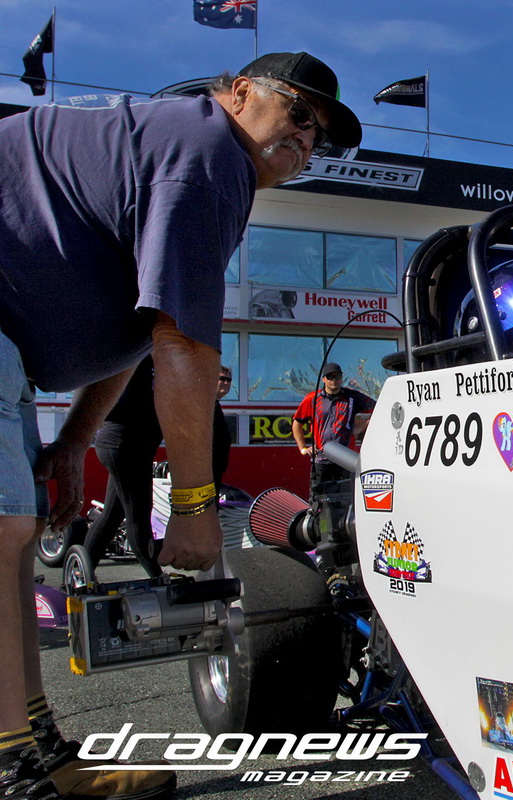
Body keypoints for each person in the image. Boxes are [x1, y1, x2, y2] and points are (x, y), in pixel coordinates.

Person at [0, 51, 361, 799]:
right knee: (1, 534)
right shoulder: (207, 156)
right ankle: (11, 767)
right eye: (298, 112)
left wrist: (73, 442)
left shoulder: (196, 155)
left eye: (319, 135)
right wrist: (195, 505)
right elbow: (183, 346)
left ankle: (31, 742)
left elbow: (137, 335)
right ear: (239, 93)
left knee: (16, 537)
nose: (306, 138)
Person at [81, 357, 163, 578]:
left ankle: (81, 575)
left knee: (112, 515)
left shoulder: (151, 362)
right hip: (124, 447)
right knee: (138, 515)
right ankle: (157, 577)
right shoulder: (132, 357)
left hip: (133, 448)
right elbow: (112, 400)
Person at [291, 363, 376, 496]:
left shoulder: (352, 397)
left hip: (345, 458)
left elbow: (379, 407)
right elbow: (297, 423)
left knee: (346, 498)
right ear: (323, 379)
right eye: (330, 377)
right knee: (319, 498)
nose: (333, 380)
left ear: (341, 378)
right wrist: (303, 449)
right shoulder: (313, 398)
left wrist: (363, 425)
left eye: (337, 376)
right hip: (320, 459)